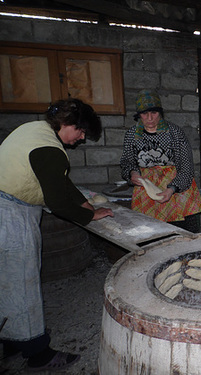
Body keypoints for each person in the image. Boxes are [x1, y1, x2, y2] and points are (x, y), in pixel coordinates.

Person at [0, 98, 114, 371]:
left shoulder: (33, 130)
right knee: (23, 282)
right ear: (68, 124)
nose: (82, 138)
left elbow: (61, 181)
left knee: (7, 281)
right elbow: (58, 201)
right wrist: (90, 216)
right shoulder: (50, 150)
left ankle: (12, 340)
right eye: (82, 132)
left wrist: (85, 203)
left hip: (5, 207)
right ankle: (38, 353)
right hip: (11, 215)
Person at [120, 89, 201, 233]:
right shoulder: (132, 135)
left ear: (160, 113)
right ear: (139, 115)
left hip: (177, 188)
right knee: (151, 233)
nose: (150, 118)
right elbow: (127, 161)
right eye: (145, 114)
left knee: (182, 233)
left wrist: (172, 189)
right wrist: (132, 173)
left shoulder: (174, 133)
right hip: (147, 188)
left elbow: (186, 167)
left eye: (154, 113)